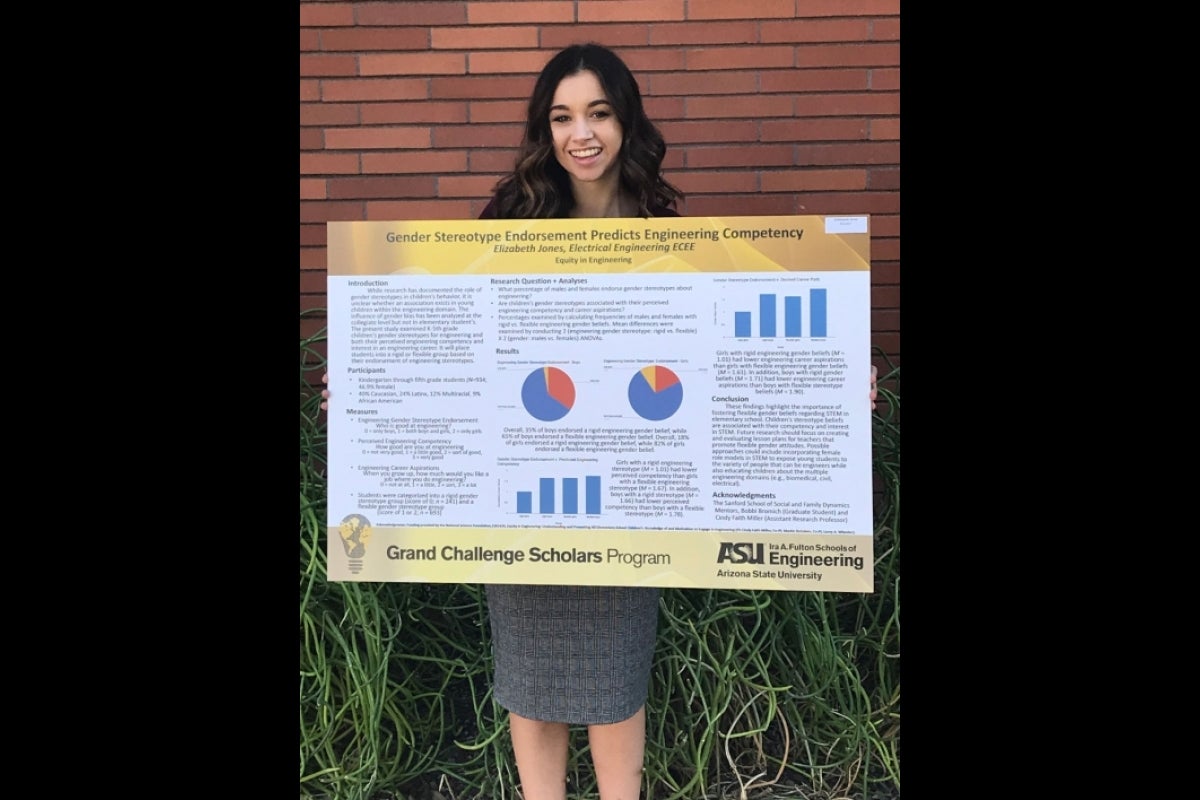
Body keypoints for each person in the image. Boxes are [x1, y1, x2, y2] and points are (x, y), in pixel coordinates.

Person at [322, 42, 880, 800]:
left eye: (597, 113)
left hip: (627, 501)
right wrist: (363, 393)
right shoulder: (505, 228)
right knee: (529, 680)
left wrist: (831, 385)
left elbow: (723, 368)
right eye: (561, 117)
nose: (580, 134)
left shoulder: (669, 233)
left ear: (626, 122)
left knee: (616, 682)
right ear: (544, 131)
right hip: (523, 503)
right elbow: (451, 349)